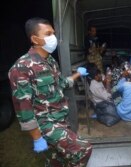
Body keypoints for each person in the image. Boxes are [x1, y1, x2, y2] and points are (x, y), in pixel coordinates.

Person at [8, 17, 92, 166]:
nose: (53, 37)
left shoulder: (50, 61)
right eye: (48, 34)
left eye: (53, 32)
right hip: (45, 124)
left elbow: (61, 83)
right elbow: (23, 109)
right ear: (35, 39)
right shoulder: (22, 68)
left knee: (56, 159)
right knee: (83, 150)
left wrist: (77, 74)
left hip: (60, 119)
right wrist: (36, 137)